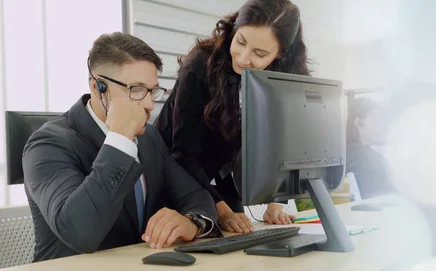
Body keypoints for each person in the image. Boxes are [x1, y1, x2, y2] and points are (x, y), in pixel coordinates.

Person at [23, 32, 220, 262]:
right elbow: (80, 233)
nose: (148, 104)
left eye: (152, 91)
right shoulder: (47, 145)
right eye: (136, 90)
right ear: (98, 88)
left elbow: (196, 196)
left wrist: (192, 223)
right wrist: (120, 139)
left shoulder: (150, 139)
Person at [153, 0, 309, 233]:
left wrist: (276, 201)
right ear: (234, 29)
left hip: (219, 174)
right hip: (173, 174)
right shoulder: (199, 67)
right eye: (241, 42)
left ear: (280, 54)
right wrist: (223, 211)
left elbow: (282, 143)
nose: (244, 58)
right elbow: (183, 154)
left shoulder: (281, 79)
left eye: (260, 53)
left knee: (240, 241)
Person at [346, 97, 397, 199]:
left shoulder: (369, 154)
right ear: (359, 123)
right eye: (376, 121)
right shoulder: (355, 156)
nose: (380, 127)